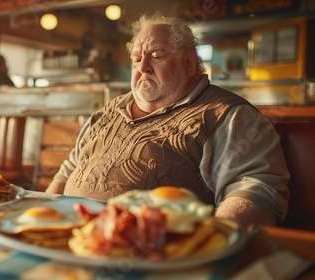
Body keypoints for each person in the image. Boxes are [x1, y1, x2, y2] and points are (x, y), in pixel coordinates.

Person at [45, 12, 290, 226]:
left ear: (189, 62)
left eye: (157, 55)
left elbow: (256, 190)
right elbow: (68, 171)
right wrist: (44, 221)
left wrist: (207, 249)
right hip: (66, 238)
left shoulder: (226, 114)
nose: (143, 67)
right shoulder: (107, 110)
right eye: (137, 59)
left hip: (151, 256)